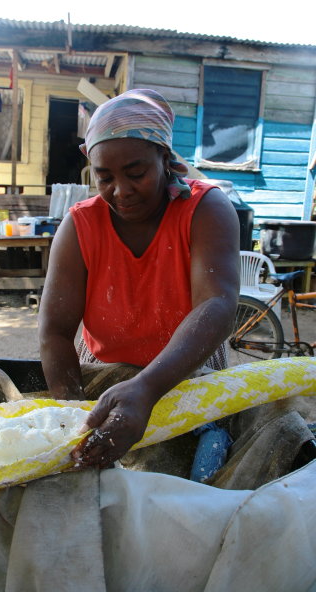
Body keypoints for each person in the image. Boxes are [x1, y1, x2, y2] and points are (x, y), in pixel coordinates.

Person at [38, 88, 240, 471]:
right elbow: (55, 331)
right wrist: (74, 416)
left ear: (164, 158)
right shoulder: (81, 225)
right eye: (104, 177)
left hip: (188, 369)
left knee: (198, 475)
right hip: (103, 370)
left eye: (136, 173)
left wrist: (147, 388)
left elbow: (217, 303)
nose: (121, 190)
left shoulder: (205, 209)